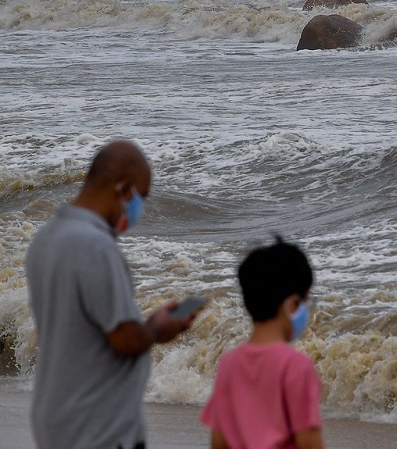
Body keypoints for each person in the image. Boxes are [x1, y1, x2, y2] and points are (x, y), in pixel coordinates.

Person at [25, 139, 196, 449]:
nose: (139, 207)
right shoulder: (96, 247)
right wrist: (160, 328)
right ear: (124, 189)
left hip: (56, 420)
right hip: (98, 426)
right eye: (140, 197)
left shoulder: (46, 238)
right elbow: (126, 339)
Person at [201, 237, 324, 449]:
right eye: (306, 301)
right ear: (293, 304)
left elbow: (219, 441)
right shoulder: (296, 366)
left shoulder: (229, 364)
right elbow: (309, 442)